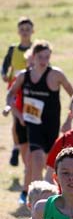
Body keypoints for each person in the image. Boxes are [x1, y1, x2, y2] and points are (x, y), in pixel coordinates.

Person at [5, 40, 73, 201]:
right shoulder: (24, 76)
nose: (44, 61)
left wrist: (69, 120)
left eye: (47, 57)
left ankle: (49, 194)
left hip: (51, 125)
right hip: (33, 125)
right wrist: (18, 114)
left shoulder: (56, 74)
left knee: (48, 163)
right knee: (36, 158)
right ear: (33, 56)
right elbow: (10, 95)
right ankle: (36, 199)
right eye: (40, 57)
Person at [2, 17, 33, 167]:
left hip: (31, 90)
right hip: (15, 90)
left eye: (27, 29)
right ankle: (16, 148)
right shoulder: (13, 49)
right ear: (18, 31)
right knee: (16, 119)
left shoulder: (36, 49)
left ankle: (29, 149)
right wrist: (3, 74)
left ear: (32, 31)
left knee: (29, 120)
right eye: (22, 29)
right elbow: (5, 65)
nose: (25, 32)